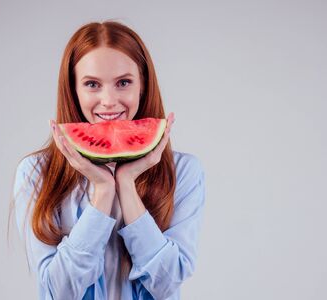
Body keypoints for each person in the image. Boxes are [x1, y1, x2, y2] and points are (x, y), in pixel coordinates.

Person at [11, 20, 206, 300]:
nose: (108, 100)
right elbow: (58, 292)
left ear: (143, 86)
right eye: (92, 84)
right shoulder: (35, 173)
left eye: (123, 82)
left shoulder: (184, 171)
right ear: (73, 90)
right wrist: (103, 191)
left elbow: (167, 282)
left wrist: (125, 184)